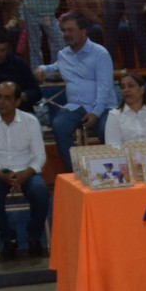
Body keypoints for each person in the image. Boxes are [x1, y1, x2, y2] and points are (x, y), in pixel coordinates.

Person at [0, 82, 50, 260]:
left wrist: (26, 174)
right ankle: (9, 237)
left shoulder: (30, 121)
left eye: (7, 98)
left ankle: (34, 236)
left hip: (27, 170)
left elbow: (40, 156)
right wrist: (0, 174)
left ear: (17, 101)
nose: (1, 102)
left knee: (40, 191)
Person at [37, 11, 117, 172]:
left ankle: (111, 172)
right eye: (64, 30)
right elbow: (55, 67)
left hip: (103, 107)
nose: (66, 34)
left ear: (83, 30)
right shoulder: (63, 55)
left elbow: (105, 86)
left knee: (106, 130)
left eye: (70, 30)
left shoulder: (100, 53)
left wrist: (96, 112)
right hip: (75, 107)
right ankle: (74, 173)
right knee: (59, 126)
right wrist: (42, 68)